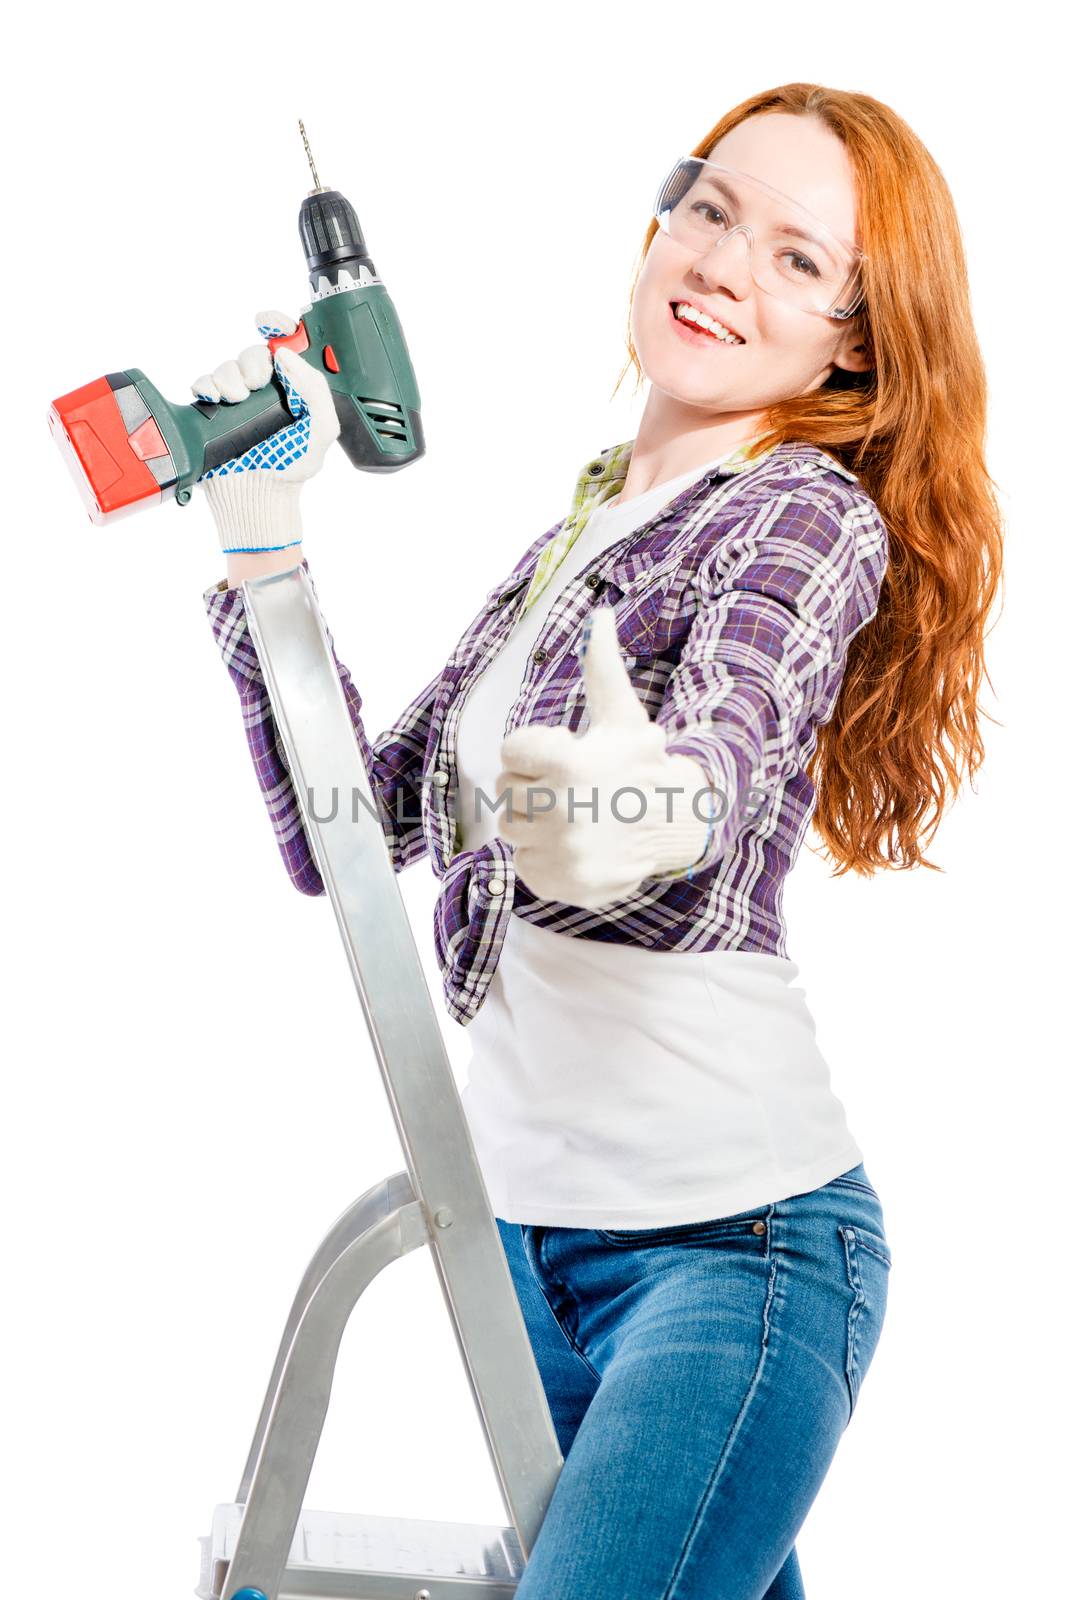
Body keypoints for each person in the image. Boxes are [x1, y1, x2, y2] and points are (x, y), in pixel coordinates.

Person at [193, 84, 1003, 1600]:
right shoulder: (576, 537)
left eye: (797, 259)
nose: (721, 264)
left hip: (735, 1260)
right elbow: (351, 841)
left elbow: (726, 735)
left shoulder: (801, 519)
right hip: (530, 1257)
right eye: (708, 211)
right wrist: (264, 557)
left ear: (855, 340)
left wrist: (639, 815)